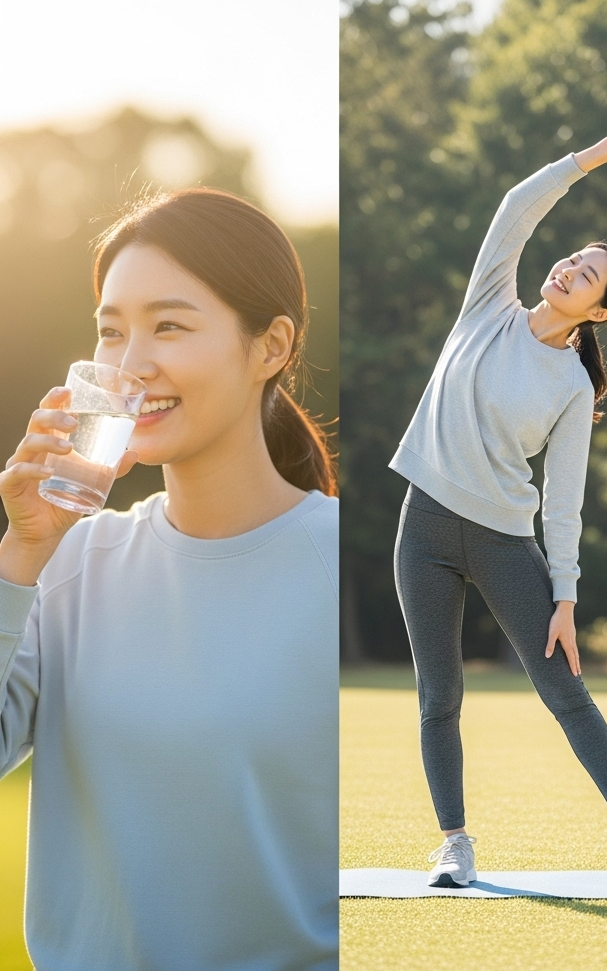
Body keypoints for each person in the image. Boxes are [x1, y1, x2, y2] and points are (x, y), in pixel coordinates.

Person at [0, 189, 338, 969]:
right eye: (111, 331)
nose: (129, 365)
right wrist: (21, 557)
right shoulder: (70, 562)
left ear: (271, 347)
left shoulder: (343, 556)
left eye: (170, 326)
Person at [390, 124, 607, 890]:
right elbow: (517, 209)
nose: (567, 270)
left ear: (600, 314)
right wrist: (589, 159)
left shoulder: (573, 389)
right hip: (423, 529)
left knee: (564, 691)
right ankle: (454, 843)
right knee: (437, 696)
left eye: (585, 277)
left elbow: (565, 503)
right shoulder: (487, 306)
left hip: (505, 543)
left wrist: (565, 596)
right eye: (572, 259)